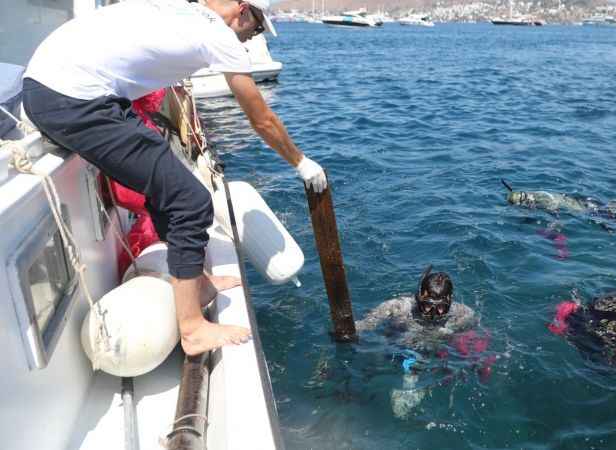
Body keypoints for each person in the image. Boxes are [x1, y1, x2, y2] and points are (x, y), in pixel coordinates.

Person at [22, 0, 328, 356]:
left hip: (59, 87)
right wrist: (302, 163)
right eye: (256, 29)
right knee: (191, 202)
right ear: (243, 11)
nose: (251, 38)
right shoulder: (219, 34)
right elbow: (261, 120)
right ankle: (193, 329)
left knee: (173, 188)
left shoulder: (182, 9)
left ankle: (196, 283)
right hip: (73, 99)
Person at [356, 266, 492, 418]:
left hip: (425, 357)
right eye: (427, 306)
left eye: (441, 308)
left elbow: (476, 338)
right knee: (374, 363)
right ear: (419, 298)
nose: (433, 314)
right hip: (393, 345)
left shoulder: (463, 315)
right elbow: (365, 324)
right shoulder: (399, 307)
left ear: (449, 302)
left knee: (402, 406)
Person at [501, 180, 616, 235]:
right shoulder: (536, 194)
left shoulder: (544, 202)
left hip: (586, 209)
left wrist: (551, 228)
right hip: (582, 200)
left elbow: (556, 217)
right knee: (612, 207)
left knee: (615, 228)